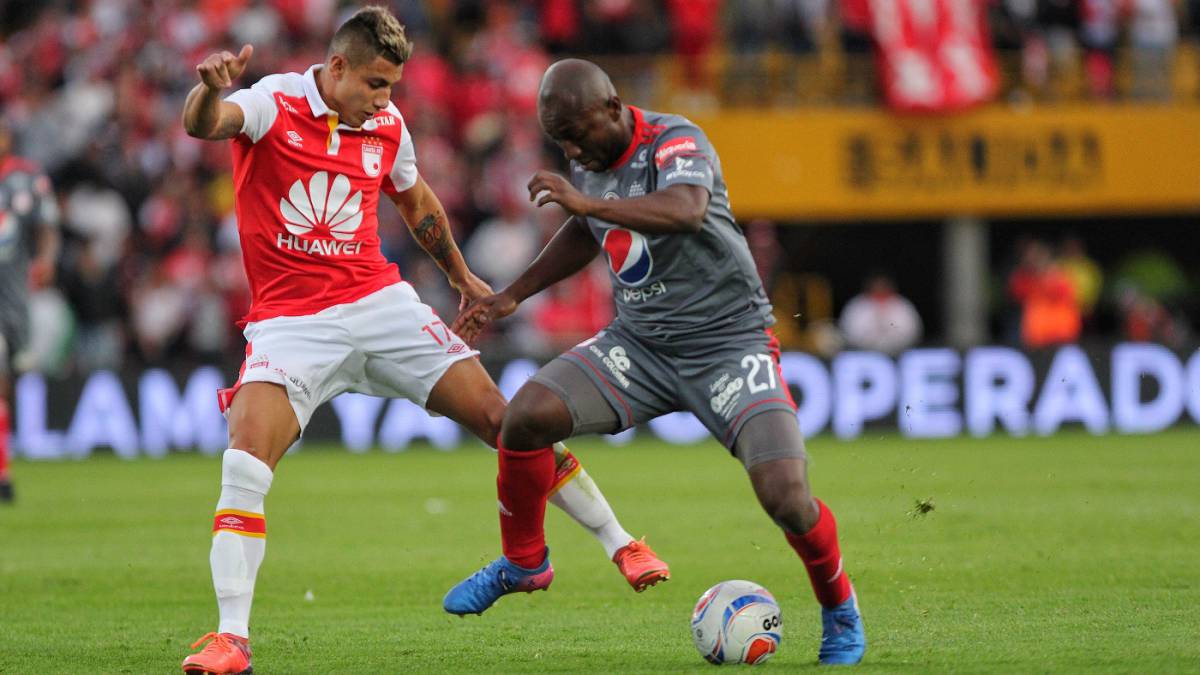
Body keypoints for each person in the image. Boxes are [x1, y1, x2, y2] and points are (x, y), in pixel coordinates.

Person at [178, 10, 667, 674]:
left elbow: (417, 203)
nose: (387, 99)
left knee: (508, 419)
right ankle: (231, 638)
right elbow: (206, 124)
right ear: (340, 67)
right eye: (377, 84)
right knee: (245, 454)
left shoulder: (387, 125)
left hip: (380, 303)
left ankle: (620, 542)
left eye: (394, 86)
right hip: (292, 323)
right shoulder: (275, 102)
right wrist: (210, 90)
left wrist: (463, 278)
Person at [443, 59, 866, 666]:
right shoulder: (586, 161)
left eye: (578, 134)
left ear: (613, 108)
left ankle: (840, 610)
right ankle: (524, 561)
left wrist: (586, 206)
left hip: (729, 344)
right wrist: (513, 293)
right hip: (640, 346)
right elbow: (584, 233)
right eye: (560, 140)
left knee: (786, 497)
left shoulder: (676, 140)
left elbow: (686, 210)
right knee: (526, 417)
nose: (572, 150)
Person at [0, 118, 61, 504]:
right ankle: (3, 473)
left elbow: (48, 225)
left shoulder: (25, 178)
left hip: (13, 295)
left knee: (10, 380)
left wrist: (46, 260)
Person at [838, 273, 923, 355]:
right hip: (861, 354)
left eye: (883, 285)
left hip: (900, 354)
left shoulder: (902, 305)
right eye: (877, 285)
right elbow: (848, 332)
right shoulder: (857, 305)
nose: (880, 288)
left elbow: (913, 332)